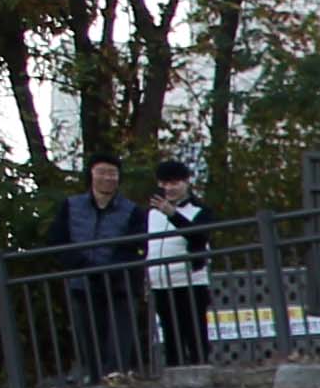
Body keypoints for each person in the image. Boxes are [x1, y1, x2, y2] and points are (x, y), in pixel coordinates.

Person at [55, 159, 144, 376]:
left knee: (119, 334)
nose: (107, 178)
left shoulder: (132, 210)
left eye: (113, 173)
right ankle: (91, 376)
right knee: (87, 333)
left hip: (119, 283)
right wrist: (82, 265)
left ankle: (116, 375)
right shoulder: (71, 205)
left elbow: (135, 244)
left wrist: (110, 269)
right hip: (82, 282)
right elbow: (57, 239)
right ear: (91, 175)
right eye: (102, 172)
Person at [142, 161, 212, 369]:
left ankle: (202, 372)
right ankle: (174, 379)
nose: (170, 188)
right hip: (161, 283)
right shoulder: (151, 213)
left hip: (191, 281)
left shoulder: (200, 210)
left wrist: (172, 214)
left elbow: (198, 237)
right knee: (170, 335)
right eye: (165, 183)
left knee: (195, 334)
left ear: (186, 182)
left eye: (175, 183)